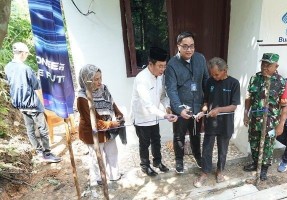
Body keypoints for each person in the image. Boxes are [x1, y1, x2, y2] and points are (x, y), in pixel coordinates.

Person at [4, 42, 61, 163]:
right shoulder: (26, 68)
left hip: (20, 104)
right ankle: (47, 153)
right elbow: (36, 85)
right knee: (43, 128)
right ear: (23, 53)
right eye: (26, 54)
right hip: (32, 104)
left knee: (30, 129)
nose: (26, 56)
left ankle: (39, 152)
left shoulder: (7, 67)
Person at [165, 31, 209, 173]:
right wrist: (179, 109)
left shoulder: (200, 59)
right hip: (181, 107)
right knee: (179, 135)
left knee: (196, 133)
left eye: (192, 46)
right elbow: (171, 90)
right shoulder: (172, 64)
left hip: (197, 105)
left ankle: (197, 156)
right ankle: (179, 159)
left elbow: (206, 81)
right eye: (185, 46)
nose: (189, 49)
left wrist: (206, 102)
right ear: (178, 46)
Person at [242, 53, 287, 181]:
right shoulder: (255, 78)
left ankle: (264, 169)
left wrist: (281, 124)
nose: (264, 67)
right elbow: (249, 97)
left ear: (276, 66)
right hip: (255, 119)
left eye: (268, 65)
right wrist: (245, 113)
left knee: (268, 145)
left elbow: (285, 106)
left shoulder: (282, 83)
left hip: (271, 122)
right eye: (263, 63)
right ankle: (255, 162)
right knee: (253, 142)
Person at [193, 57, 240, 187]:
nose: (214, 76)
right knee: (207, 148)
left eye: (216, 74)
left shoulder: (234, 83)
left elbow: (234, 106)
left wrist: (219, 109)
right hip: (210, 122)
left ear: (224, 71)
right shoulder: (210, 81)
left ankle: (220, 171)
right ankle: (204, 172)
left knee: (223, 149)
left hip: (226, 123)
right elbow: (206, 102)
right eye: (212, 74)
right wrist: (203, 111)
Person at [130, 47, 178, 177]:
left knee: (156, 140)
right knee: (144, 143)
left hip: (155, 116)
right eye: (160, 66)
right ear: (151, 64)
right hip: (142, 116)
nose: (163, 69)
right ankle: (145, 165)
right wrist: (165, 115)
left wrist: (167, 107)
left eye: (164, 66)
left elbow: (162, 96)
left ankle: (157, 162)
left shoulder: (159, 77)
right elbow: (148, 105)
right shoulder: (142, 79)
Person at [77, 64, 123, 186]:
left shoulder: (103, 88)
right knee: (97, 156)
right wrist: (111, 124)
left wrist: (118, 113)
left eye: (100, 78)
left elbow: (111, 102)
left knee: (112, 152)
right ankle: (98, 180)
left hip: (108, 129)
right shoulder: (82, 98)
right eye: (95, 79)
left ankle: (114, 175)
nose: (99, 82)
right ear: (86, 80)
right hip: (92, 132)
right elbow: (92, 121)